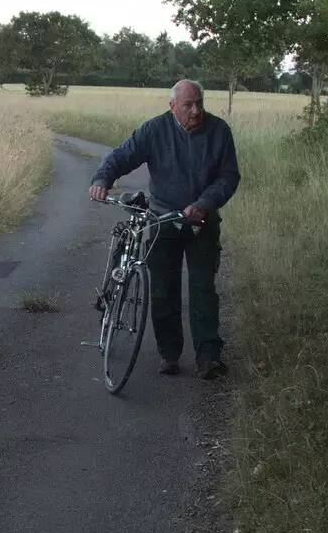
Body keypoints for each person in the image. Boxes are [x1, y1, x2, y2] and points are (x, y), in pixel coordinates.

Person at [87, 80, 240, 379]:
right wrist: (102, 179)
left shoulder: (219, 131)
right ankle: (169, 354)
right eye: (188, 105)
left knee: (203, 289)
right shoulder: (154, 130)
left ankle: (208, 357)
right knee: (161, 289)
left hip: (202, 221)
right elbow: (123, 154)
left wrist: (204, 203)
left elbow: (228, 176)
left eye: (199, 103)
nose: (196, 111)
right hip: (162, 220)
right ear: (173, 107)